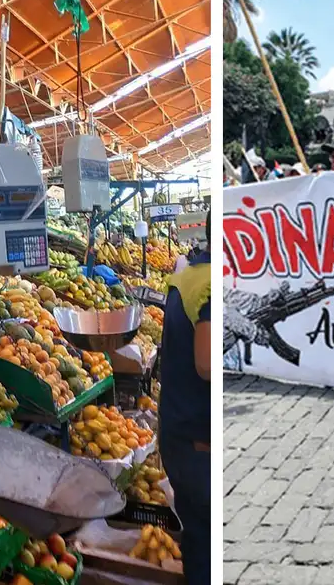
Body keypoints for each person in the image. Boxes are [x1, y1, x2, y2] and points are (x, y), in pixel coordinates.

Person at [158, 212, 210, 585]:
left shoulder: (187, 276)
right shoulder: (210, 285)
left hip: (178, 431)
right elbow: (206, 365)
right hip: (198, 441)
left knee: (198, 539)